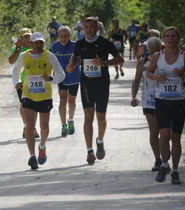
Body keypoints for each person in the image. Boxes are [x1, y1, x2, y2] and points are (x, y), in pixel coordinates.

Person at [66, 17, 124, 165]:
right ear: (83, 28)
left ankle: (100, 140)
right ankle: (89, 151)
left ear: (97, 28)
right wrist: (72, 64)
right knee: (88, 117)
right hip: (86, 84)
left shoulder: (105, 43)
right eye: (86, 27)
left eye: (91, 27)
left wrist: (104, 63)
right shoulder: (79, 43)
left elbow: (120, 59)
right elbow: (76, 56)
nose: (88, 30)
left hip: (102, 83)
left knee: (101, 117)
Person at [146, 26, 185, 184]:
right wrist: (156, 77)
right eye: (167, 36)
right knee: (164, 135)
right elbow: (148, 72)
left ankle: (175, 170)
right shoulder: (157, 56)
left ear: (178, 39)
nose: (170, 39)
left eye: (173, 36)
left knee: (176, 138)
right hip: (162, 100)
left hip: (180, 101)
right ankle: (164, 164)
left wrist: (184, 75)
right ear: (164, 39)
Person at [12, 32, 65, 170]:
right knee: (30, 125)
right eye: (36, 42)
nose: (39, 45)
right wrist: (16, 82)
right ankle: (32, 156)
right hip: (28, 94)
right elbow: (16, 71)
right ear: (31, 43)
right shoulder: (24, 56)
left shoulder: (49, 56)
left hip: (44, 96)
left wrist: (51, 79)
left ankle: (42, 146)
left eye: (41, 42)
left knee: (44, 127)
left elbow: (61, 74)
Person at [131, 37, 163, 172]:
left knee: (165, 131)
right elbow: (137, 80)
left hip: (165, 99)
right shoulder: (142, 63)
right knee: (153, 131)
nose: (154, 51)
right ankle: (158, 159)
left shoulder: (166, 61)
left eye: (157, 49)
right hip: (148, 100)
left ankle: (165, 157)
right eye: (151, 49)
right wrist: (133, 96)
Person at [8, 28, 39, 139]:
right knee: (24, 105)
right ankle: (26, 127)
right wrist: (17, 48)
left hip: (35, 80)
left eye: (29, 36)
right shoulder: (17, 48)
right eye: (25, 36)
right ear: (21, 38)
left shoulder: (36, 46)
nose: (27, 38)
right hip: (21, 81)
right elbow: (11, 61)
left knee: (35, 106)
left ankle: (33, 128)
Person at [50, 26, 81, 137]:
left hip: (74, 76)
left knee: (71, 100)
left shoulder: (75, 46)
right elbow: (48, 60)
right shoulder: (54, 46)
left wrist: (73, 65)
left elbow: (80, 60)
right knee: (63, 99)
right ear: (58, 36)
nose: (64, 39)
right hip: (61, 77)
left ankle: (71, 120)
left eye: (66, 36)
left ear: (70, 36)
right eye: (61, 36)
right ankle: (63, 125)